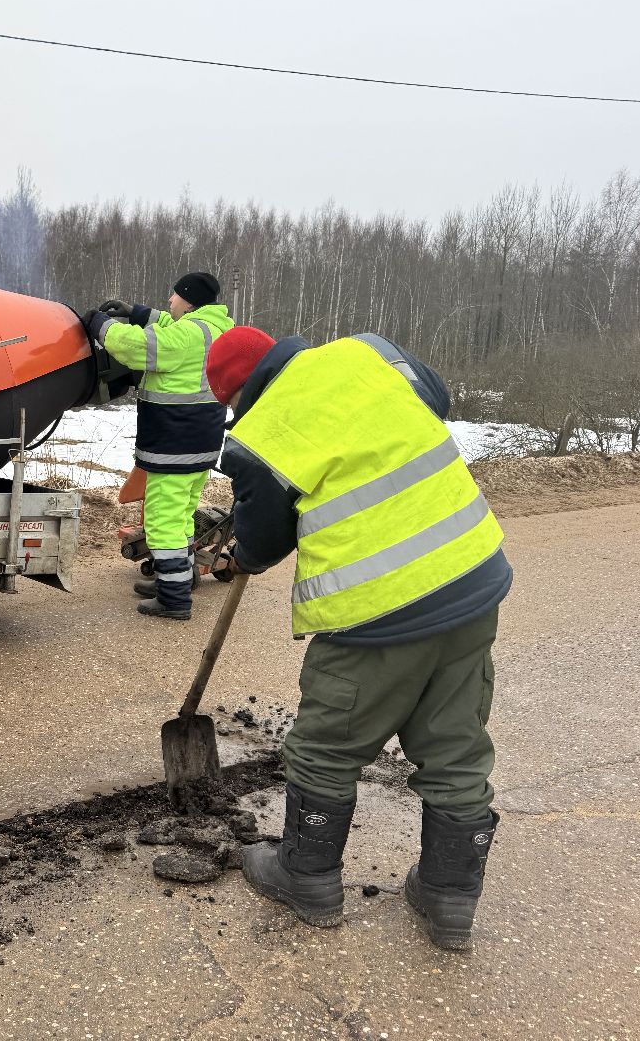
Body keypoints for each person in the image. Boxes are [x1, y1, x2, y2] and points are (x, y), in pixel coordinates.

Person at [203, 324, 512, 952]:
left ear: (238, 398)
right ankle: (449, 899)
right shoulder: (366, 353)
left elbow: (261, 542)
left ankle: (307, 876)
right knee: (454, 746)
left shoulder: (262, 435)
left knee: (325, 746)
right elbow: (438, 399)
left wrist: (244, 551)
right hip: (472, 573)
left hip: (379, 611)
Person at [86, 273, 233, 619]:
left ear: (190, 299)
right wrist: (137, 311)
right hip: (199, 444)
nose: (170, 300)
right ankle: (180, 578)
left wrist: (99, 324)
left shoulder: (188, 335)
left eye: (176, 294)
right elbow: (169, 324)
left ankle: (174, 599)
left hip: (175, 443)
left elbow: (137, 347)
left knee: (163, 521)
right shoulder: (214, 328)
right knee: (181, 516)